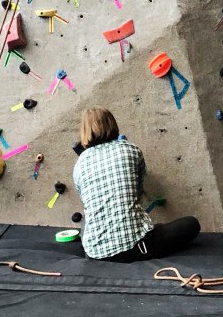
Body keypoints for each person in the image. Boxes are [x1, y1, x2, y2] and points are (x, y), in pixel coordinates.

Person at [72, 106, 200, 261]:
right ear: (112, 125)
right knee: (191, 224)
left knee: (87, 219)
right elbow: (137, 193)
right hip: (137, 247)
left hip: (96, 254)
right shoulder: (131, 150)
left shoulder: (79, 164)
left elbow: (87, 203)